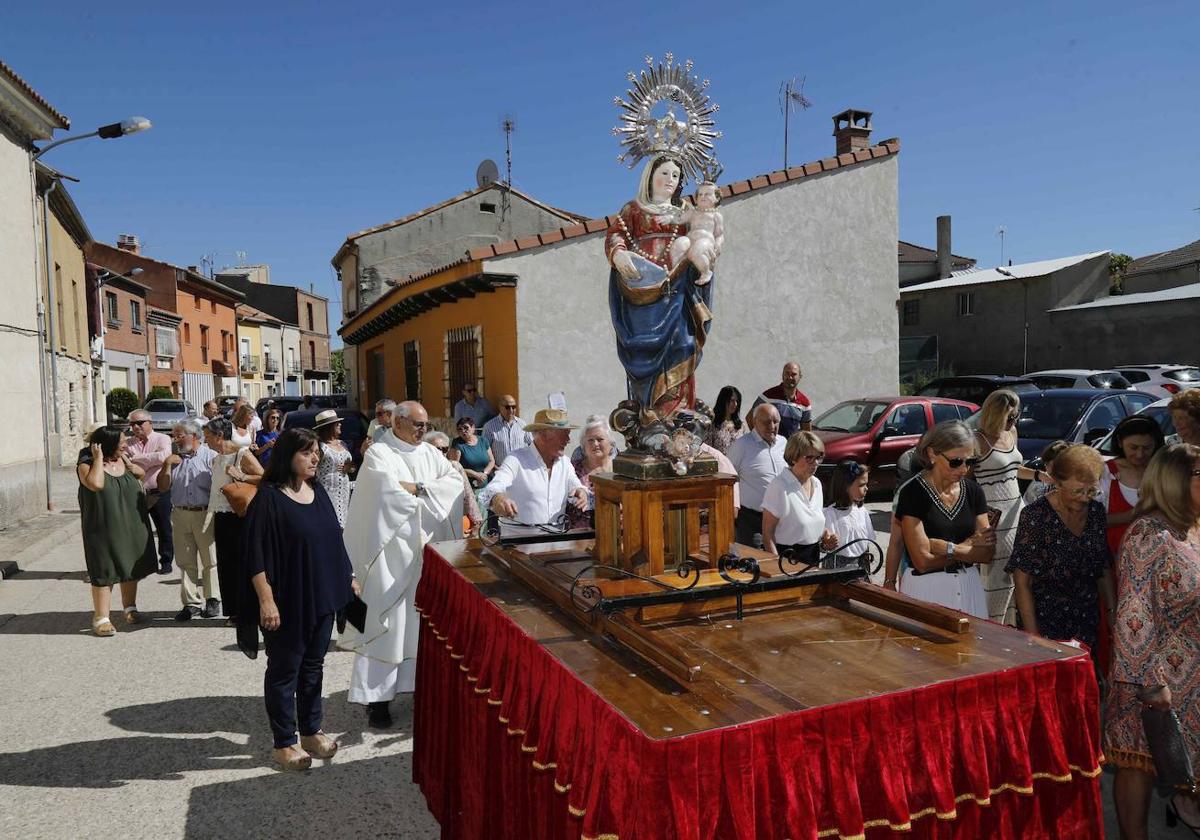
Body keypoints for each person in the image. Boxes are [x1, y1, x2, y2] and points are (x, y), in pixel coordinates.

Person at [238, 428, 356, 771]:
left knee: (313, 667)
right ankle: (284, 743)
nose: (315, 458)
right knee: (284, 671)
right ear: (288, 455)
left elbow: (333, 540)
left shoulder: (316, 491)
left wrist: (348, 578)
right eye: (307, 453)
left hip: (319, 598)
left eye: (316, 452)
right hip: (286, 601)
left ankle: (311, 731)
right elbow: (254, 557)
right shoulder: (269, 498)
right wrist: (266, 601)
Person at [340, 401, 463, 729]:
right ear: (397, 423)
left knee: (422, 627)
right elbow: (384, 494)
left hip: (428, 556)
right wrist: (424, 498)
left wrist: (421, 489)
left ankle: (419, 689)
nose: (423, 431)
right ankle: (378, 699)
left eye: (426, 425)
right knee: (389, 627)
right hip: (391, 557)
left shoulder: (431, 454)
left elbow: (453, 484)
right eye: (418, 425)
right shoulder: (380, 454)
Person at [1104, 443, 1200, 839]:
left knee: (1179, 763)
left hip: (1191, 674)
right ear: (1176, 481)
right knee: (1137, 763)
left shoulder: (1192, 527)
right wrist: (1149, 682)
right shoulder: (1149, 534)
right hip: (1152, 675)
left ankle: (1186, 804)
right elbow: (1133, 614)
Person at [606, 154, 713, 423]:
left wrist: (702, 254)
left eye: (675, 176)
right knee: (644, 355)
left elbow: (703, 232)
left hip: (679, 290)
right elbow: (616, 235)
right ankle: (648, 415)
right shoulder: (633, 209)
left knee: (683, 343)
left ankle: (679, 416)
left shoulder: (684, 211)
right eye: (664, 173)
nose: (670, 180)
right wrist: (619, 254)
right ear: (650, 176)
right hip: (641, 298)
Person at [1006, 444, 1114, 656]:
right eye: (1077, 491)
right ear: (1057, 482)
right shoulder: (1036, 516)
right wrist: (1033, 635)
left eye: (1091, 490)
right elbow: (1022, 581)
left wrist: (1112, 615)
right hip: (1045, 620)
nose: (1084, 498)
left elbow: (1103, 566)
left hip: (1086, 618)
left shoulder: (1096, 512)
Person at [896, 420, 995, 618]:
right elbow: (922, 561)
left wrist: (946, 547)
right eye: (956, 461)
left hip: (969, 588)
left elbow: (986, 554)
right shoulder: (913, 494)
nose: (964, 469)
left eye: (970, 461)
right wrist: (965, 548)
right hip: (927, 590)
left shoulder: (974, 492)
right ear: (932, 454)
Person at [77, 426, 157, 636]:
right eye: (122, 441)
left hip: (130, 524)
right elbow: (96, 484)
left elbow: (140, 474)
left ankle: (130, 609)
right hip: (102, 527)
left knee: (129, 565)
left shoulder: (123, 459)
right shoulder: (86, 464)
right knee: (104, 569)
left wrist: (127, 460)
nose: (126, 443)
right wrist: (97, 458)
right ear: (107, 444)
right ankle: (101, 618)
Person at [972, 389, 1042, 625]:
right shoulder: (977, 440)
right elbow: (964, 479)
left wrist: (1041, 476)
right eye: (1009, 417)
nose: (1013, 421)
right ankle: (992, 629)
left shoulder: (1011, 432)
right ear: (995, 414)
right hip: (993, 516)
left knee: (1019, 576)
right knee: (996, 579)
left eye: (1016, 416)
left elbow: (1013, 469)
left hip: (1017, 511)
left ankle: (1012, 630)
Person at [158, 419, 220, 621]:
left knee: (210, 559)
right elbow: (163, 487)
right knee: (185, 561)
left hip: (204, 513)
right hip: (180, 513)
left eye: (179, 435)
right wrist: (167, 465)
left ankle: (213, 600)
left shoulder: (211, 457)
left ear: (194, 436)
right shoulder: (173, 459)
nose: (175, 439)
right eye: (173, 435)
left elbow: (220, 488)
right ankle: (191, 603)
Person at [481, 409, 589, 526]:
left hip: (557, 540)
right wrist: (497, 498)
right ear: (543, 436)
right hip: (520, 541)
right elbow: (491, 489)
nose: (568, 440)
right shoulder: (516, 459)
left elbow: (576, 485)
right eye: (564, 434)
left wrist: (581, 492)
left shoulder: (565, 462)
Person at [203, 418, 263, 624]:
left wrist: (242, 477)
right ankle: (234, 610)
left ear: (220, 435)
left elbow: (265, 477)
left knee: (243, 562)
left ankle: (249, 609)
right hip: (221, 513)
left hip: (240, 515)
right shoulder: (217, 458)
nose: (205, 440)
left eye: (208, 436)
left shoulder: (242, 453)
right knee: (226, 563)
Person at [761, 431, 838, 564]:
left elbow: (809, 522)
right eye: (809, 457)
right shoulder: (779, 486)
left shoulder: (817, 484)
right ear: (793, 457)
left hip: (812, 559)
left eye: (819, 457)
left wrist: (826, 536)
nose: (816, 463)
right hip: (787, 559)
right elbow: (767, 534)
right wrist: (776, 568)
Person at [1102, 416, 1167, 558]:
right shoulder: (1105, 472)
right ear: (1119, 442)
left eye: (1147, 448)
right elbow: (1090, 520)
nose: (1140, 454)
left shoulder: (1163, 471)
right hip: (1115, 560)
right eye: (1133, 447)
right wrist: (1133, 515)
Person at [726, 403, 787, 548]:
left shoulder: (784, 443)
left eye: (775, 421)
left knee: (782, 564)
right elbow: (728, 480)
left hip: (782, 520)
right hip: (753, 521)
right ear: (754, 422)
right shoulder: (741, 446)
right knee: (755, 563)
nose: (772, 426)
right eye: (766, 422)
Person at [125, 409, 174, 574]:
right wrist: (151, 458)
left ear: (150, 423)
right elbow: (126, 463)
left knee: (164, 528)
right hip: (137, 492)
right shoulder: (128, 442)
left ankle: (166, 561)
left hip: (159, 491)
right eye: (133, 424)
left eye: (140, 423)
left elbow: (164, 457)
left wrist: (136, 458)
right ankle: (141, 563)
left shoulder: (163, 438)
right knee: (137, 529)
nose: (136, 426)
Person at [824, 459, 878, 569]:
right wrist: (828, 543)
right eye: (861, 485)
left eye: (866, 484)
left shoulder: (862, 511)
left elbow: (866, 541)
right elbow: (826, 545)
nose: (866, 488)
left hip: (861, 564)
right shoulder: (831, 514)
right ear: (845, 486)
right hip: (839, 567)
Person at [424, 430, 481, 534]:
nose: (441, 452)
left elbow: (468, 495)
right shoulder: (423, 469)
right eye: (436, 449)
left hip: (455, 520)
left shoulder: (455, 466)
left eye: (444, 449)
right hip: (431, 523)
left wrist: (477, 521)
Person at [749, 362, 812, 439]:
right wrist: (760, 440)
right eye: (787, 373)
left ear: (800, 377)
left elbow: (806, 433)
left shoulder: (805, 403)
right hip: (768, 447)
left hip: (790, 449)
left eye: (794, 374)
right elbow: (750, 418)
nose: (790, 377)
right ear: (782, 375)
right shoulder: (768, 396)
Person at [313, 410, 353, 528]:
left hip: (344, 489)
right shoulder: (320, 447)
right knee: (331, 522)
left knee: (344, 523)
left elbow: (351, 466)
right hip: (327, 489)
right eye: (336, 424)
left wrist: (349, 467)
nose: (340, 425)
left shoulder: (343, 444)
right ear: (329, 427)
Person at [482, 394, 531, 466]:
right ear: (500, 407)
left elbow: (531, 446)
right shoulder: (489, 427)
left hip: (520, 470)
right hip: (500, 471)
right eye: (507, 407)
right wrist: (494, 468)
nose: (511, 410)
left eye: (513, 407)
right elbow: (484, 451)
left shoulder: (522, 424)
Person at [449, 416, 495, 490]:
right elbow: (455, 467)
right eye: (460, 429)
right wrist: (475, 474)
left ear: (473, 428)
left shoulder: (483, 440)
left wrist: (484, 473)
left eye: (466, 428)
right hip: (467, 485)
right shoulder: (457, 444)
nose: (463, 431)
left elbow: (491, 460)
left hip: (486, 482)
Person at [1022, 440, 1070, 504]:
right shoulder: (1038, 486)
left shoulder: (1078, 489)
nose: (1048, 468)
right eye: (1047, 464)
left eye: (1055, 465)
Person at [575, 416, 615, 490]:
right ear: (583, 445)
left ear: (611, 443)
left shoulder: (621, 470)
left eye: (600, 439)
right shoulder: (574, 471)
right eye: (590, 440)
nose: (595, 444)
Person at [707, 385, 745, 455]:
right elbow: (708, 449)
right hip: (719, 464)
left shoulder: (741, 425)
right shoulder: (712, 424)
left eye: (737, 401)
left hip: (737, 465)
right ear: (723, 400)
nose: (735, 404)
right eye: (732, 400)